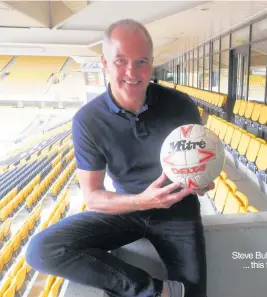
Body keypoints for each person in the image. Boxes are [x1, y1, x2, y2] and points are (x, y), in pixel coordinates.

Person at [25, 19, 211, 297]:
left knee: (193, 295)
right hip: (127, 209)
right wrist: (140, 201)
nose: (131, 72)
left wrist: (202, 181)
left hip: (178, 211)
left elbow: (202, 168)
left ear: (152, 63)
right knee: (42, 250)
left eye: (141, 62)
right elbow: (93, 197)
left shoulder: (181, 105)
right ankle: (155, 292)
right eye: (120, 61)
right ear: (104, 63)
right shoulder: (88, 120)